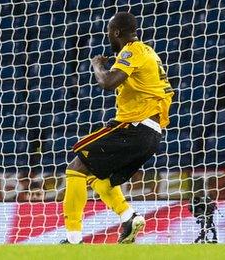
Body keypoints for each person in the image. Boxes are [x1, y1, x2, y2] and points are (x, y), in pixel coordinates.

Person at [60, 12, 174, 244]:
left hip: (135, 126)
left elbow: (107, 83)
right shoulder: (149, 52)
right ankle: (129, 216)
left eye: (109, 33)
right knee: (101, 180)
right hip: (151, 133)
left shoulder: (133, 50)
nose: (108, 38)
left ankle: (72, 240)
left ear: (117, 33)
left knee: (76, 167)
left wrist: (97, 66)